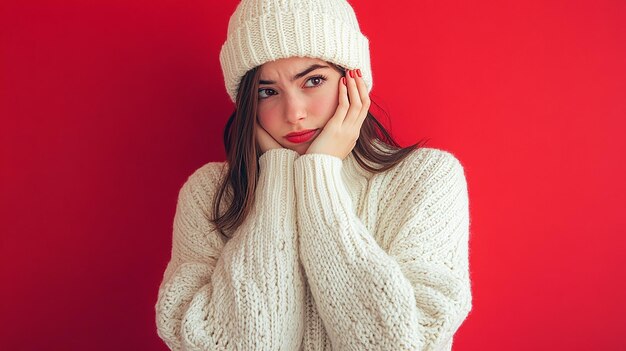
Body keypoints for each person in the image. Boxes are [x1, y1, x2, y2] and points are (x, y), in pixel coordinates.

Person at [155, 0, 472, 350]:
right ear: (248, 102)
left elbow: (397, 344)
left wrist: (318, 176)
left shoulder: (425, 179)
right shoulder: (210, 193)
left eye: (313, 80)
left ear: (354, 83)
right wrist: (278, 176)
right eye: (267, 91)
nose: (294, 113)